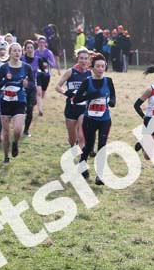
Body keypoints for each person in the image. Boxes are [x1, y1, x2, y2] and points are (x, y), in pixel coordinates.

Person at [69, 52, 116, 185]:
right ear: (93, 68)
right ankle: (82, 164)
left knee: (102, 146)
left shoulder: (108, 81)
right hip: (89, 119)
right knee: (89, 146)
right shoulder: (87, 82)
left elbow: (113, 96)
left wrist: (112, 102)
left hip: (105, 119)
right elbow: (76, 99)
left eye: (103, 66)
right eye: (98, 66)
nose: (101, 69)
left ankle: (100, 176)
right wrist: (90, 95)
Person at [0, 43, 34, 163]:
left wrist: (27, 85)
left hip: (20, 100)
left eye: (19, 51)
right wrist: (6, 79)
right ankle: (6, 157)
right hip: (6, 101)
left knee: (17, 130)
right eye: (14, 51)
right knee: (6, 133)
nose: (17, 53)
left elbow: (33, 84)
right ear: (10, 52)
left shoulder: (27, 67)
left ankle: (15, 142)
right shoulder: (4, 68)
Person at [55, 48, 92, 149]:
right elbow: (57, 86)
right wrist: (66, 92)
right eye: (81, 58)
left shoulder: (91, 74)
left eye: (86, 59)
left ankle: (82, 157)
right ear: (77, 59)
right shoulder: (70, 72)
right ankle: (73, 145)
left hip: (84, 108)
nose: (83, 61)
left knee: (81, 135)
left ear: (89, 60)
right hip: (71, 108)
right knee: (72, 138)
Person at [34, 36, 58, 116]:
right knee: (39, 92)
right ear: (37, 43)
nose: (41, 44)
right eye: (40, 42)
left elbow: (53, 64)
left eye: (43, 43)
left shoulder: (48, 52)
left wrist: (47, 60)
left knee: (42, 93)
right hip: (37, 74)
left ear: (45, 44)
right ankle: (40, 110)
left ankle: (37, 102)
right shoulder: (35, 52)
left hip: (46, 75)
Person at [22, 40, 40, 136]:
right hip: (22, 86)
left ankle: (26, 130)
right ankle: (18, 125)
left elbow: (43, 72)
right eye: (28, 47)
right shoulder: (21, 59)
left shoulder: (38, 60)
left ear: (34, 49)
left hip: (32, 87)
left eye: (31, 47)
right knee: (21, 108)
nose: (29, 49)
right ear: (25, 49)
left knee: (30, 109)